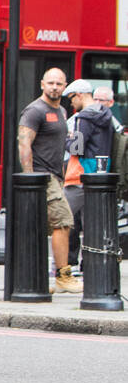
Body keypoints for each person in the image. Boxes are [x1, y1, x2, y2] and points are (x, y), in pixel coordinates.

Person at [18, 67, 81, 293]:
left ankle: (38, 279)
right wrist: (30, 180)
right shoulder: (35, 110)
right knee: (63, 222)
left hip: (56, 176)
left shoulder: (62, 111)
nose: (54, 87)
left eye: (59, 83)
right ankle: (64, 276)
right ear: (42, 84)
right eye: (51, 83)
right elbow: (24, 145)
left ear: (65, 87)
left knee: (44, 228)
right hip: (42, 177)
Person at [63, 79, 113, 273]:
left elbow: (77, 148)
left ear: (80, 95)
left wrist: (66, 139)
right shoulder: (105, 114)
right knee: (92, 224)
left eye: (71, 99)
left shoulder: (83, 117)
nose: (71, 104)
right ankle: (91, 267)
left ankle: (61, 266)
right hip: (99, 173)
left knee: (61, 219)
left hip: (80, 174)